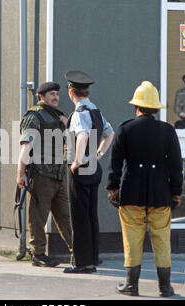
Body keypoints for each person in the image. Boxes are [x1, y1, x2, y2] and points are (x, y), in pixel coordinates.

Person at [107, 81, 183, 297]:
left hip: (131, 194)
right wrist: (175, 192)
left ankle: (131, 286)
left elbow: (116, 164)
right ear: (156, 109)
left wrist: (113, 189)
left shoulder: (125, 129)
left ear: (136, 107)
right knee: (162, 241)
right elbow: (176, 166)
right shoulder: (167, 131)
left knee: (132, 240)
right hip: (161, 195)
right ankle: (165, 287)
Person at [16, 81, 73, 267]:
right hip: (41, 175)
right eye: (51, 94)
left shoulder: (58, 116)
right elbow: (26, 145)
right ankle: (38, 254)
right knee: (38, 217)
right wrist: (21, 173)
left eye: (57, 94)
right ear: (41, 96)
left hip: (58, 175)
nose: (55, 97)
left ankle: (79, 252)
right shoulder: (35, 116)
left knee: (66, 216)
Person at [63, 70, 114, 274]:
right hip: (94, 168)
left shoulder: (80, 113)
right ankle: (92, 258)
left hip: (82, 170)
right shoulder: (96, 111)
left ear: (71, 92)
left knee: (79, 216)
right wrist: (99, 154)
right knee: (91, 215)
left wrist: (77, 162)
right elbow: (110, 133)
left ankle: (82, 262)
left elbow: (82, 135)